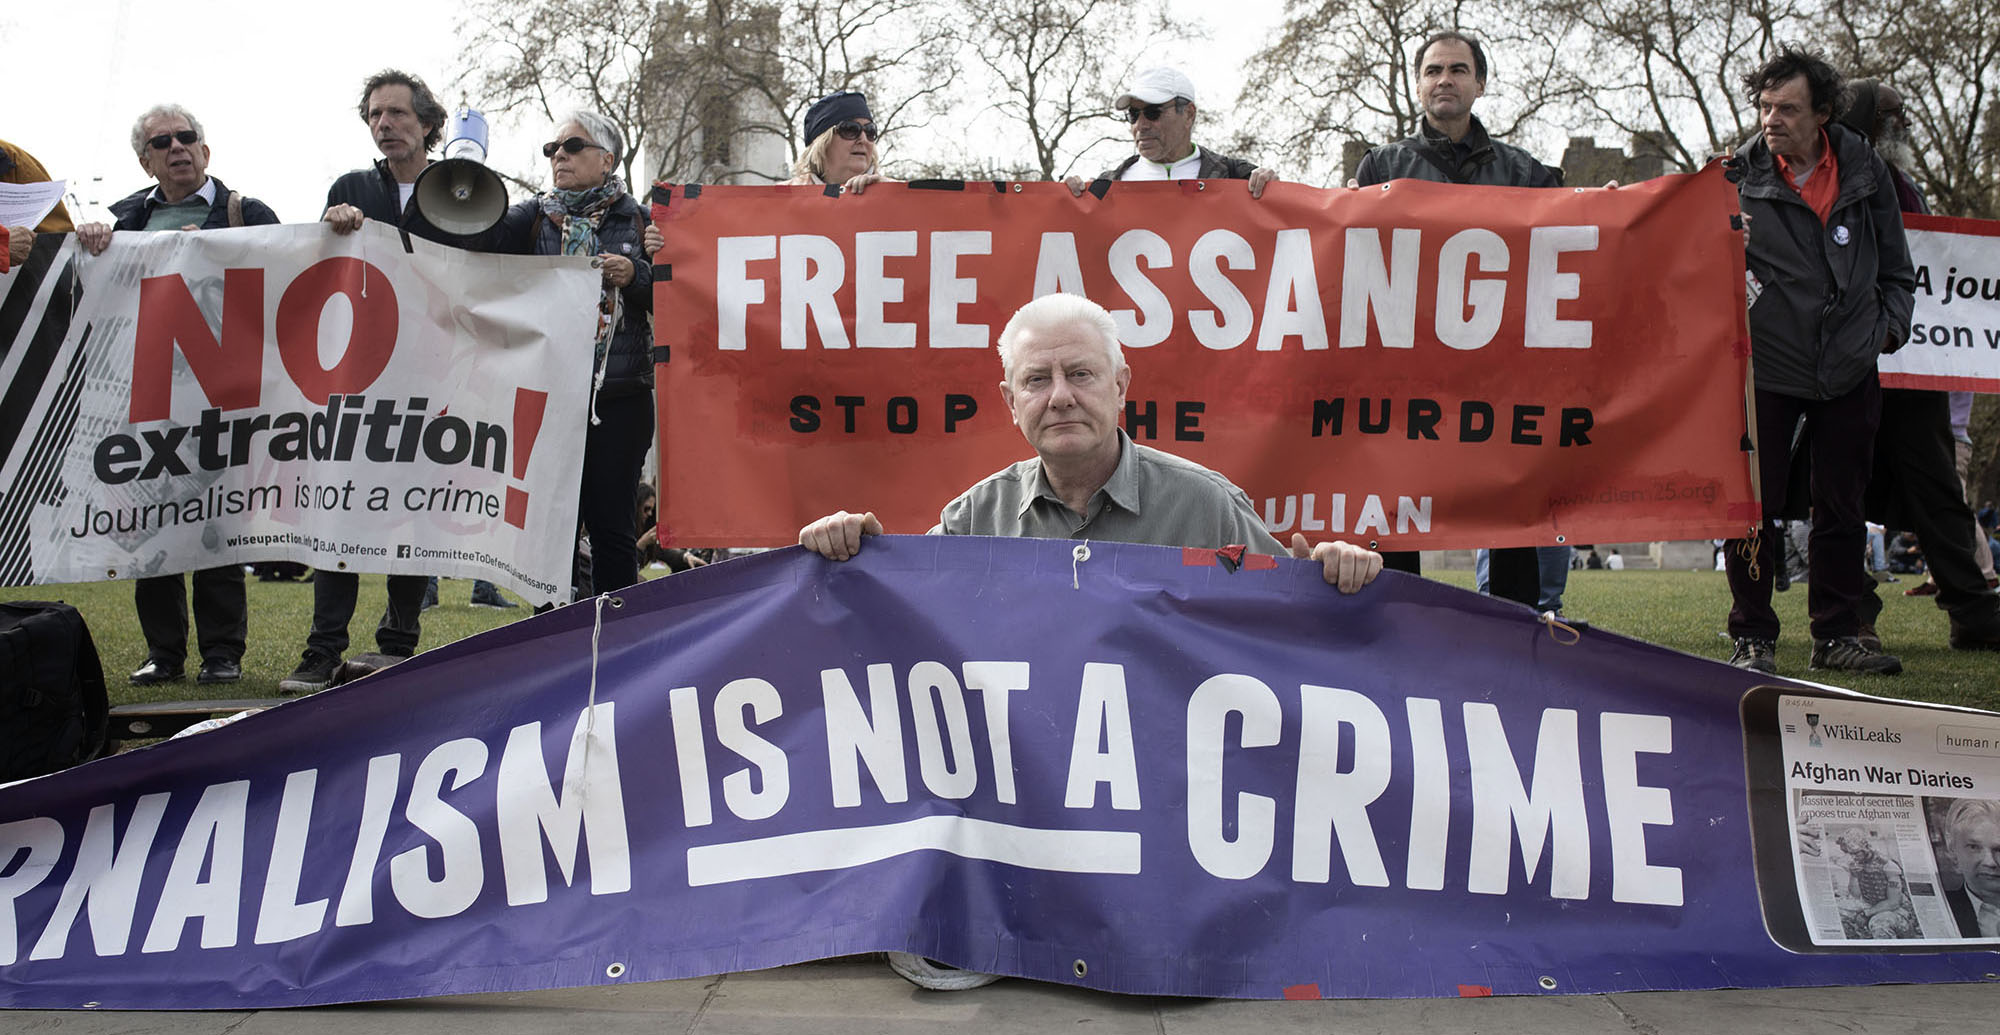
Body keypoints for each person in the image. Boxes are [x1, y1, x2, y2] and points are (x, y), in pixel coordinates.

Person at [797, 293, 1383, 992]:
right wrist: (850, 557)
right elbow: (901, 640)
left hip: (1173, 825)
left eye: (1081, 373)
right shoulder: (974, 518)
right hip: (1030, 821)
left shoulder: (1206, 505)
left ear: (1121, 385)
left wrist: (1338, 576)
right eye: (1037, 380)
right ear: (1009, 398)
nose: (1062, 397)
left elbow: (1290, 643)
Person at [1351, 31, 1565, 613]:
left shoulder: (1524, 172)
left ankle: (1517, 621)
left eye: (1458, 69)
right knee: (1401, 498)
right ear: (1418, 83)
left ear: (1480, 83)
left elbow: (1586, 231)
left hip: (1499, 370)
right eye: (1433, 70)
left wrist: (1624, 207)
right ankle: (1399, 617)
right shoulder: (1382, 165)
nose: (1445, 79)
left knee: (1509, 497)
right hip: (1408, 368)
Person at [1723, 45, 1913, 675]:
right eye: (1764, 106)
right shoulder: (1731, 178)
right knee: (1753, 507)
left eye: (1787, 108)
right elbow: (1685, 266)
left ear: (1823, 114)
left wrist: (1887, 330)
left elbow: (1896, 266)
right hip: (1767, 371)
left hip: (1850, 369)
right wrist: (1720, 246)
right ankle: (1753, 638)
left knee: (1842, 508)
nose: (1770, 119)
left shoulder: (1867, 171)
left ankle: (1836, 634)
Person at [74, 105, 279, 686]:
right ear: (145, 160)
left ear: (206, 150)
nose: (177, 147)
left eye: (188, 137)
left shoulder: (245, 211)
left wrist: (215, 246)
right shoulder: (123, 222)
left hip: (223, 393)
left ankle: (222, 655)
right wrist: (94, 241)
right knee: (151, 522)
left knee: (216, 524)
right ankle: (164, 655)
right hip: (148, 395)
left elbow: (286, 276)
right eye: (162, 142)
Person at [281, 70, 456, 695]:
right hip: (359, 378)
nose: (384, 125)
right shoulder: (351, 187)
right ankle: (322, 650)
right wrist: (333, 223)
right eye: (375, 116)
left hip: (433, 379)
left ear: (429, 124)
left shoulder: (463, 189)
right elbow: (324, 268)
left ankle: (398, 645)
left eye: (397, 115)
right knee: (343, 509)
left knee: (413, 512)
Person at [458, 111, 654, 599]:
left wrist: (636, 274)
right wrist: (463, 182)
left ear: (607, 159)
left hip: (621, 397)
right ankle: (550, 634)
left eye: (571, 146)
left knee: (612, 526)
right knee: (550, 527)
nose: (558, 156)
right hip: (546, 397)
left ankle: (617, 637)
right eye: (552, 149)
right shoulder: (532, 218)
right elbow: (475, 241)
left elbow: (680, 295)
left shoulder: (642, 220)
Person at [1835, 79, 2000, 652]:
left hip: (1911, 366)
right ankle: (1851, 609)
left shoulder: (1902, 185)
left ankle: (1973, 611)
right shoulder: (1850, 181)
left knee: (1934, 491)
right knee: (1838, 490)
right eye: (1889, 116)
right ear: (1864, 121)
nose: (1901, 125)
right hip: (1853, 365)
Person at [1061, 67, 1278, 197]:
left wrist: (1277, 193)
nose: (1141, 125)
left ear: (1189, 114)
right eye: (1133, 114)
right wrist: (1063, 206)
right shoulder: (1102, 189)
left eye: (1153, 112)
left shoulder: (1239, 178)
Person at [788, 91, 889, 194]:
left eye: (870, 131)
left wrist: (886, 194)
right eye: (850, 129)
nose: (863, 139)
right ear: (822, 142)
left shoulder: (899, 195)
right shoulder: (782, 199)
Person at [1940, 799, 2000, 938]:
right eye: (1974, 847)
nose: (1990, 862)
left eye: (1999, 849)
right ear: (1954, 853)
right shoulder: (1943, 908)